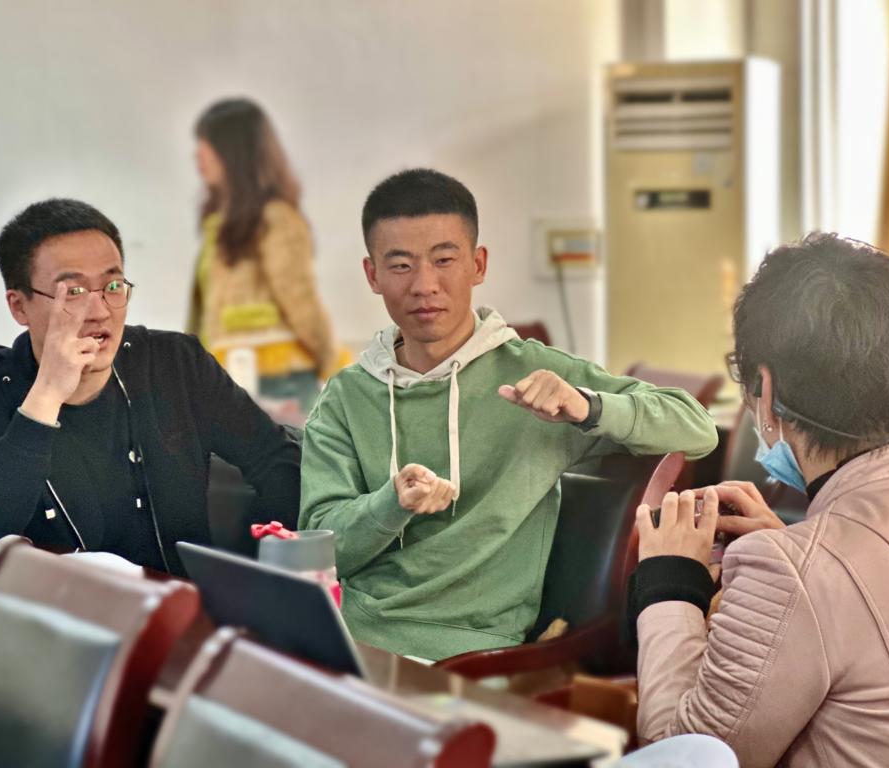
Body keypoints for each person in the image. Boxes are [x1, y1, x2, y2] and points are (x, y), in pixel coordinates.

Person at [299, 168, 718, 661]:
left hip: (469, 653)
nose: (424, 285)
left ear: (478, 265)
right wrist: (393, 503)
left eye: (444, 260)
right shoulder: (347, 395)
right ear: (373, 275)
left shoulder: (536, 374)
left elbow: (697, 428)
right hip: (346, 634)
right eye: (401, 265)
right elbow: (320, 547)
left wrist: (587, 406)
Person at [628, 233, 889, 766]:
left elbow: (684, 755)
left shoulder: (794, 572)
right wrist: (792, 548)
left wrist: (668, 582)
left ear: (766, 389)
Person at [0, 199, 302, 574]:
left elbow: (278, 461)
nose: (100, 311)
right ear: (19, 306)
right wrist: (46, 394)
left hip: (183, 601)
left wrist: (258, 569)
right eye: (73, 292)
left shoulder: (176, 363)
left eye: (113, 286)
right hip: (63, 605)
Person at [187, 97, 340, 417]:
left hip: (278, 381)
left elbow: (300, 302)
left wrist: (334, 367)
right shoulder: (217, 223)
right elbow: (203, 313)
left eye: (207, 143)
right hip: (230, 379)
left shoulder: (276, 218)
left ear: (233, 152)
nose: (197, 153)